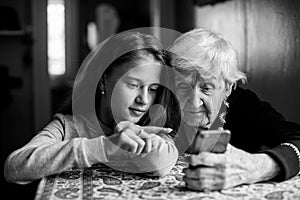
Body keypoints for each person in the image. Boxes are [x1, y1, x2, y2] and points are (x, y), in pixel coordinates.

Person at [4, 31, 180, 184]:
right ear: (103, 81)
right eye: (133, 85)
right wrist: (104, 147)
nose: (144, 99)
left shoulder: (151, 127)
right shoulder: (68, 127)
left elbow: (159, 161)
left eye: (153, 89)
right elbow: (14, 167)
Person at [168, 27, 300, 191]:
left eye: (207, 88)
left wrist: (254, 167)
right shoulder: (161, 100)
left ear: (228, 88)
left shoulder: (244, 105)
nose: (194, 103)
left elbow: (297, 139)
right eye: (183, 86)